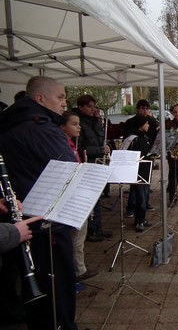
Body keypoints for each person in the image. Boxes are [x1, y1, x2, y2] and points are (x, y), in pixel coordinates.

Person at [0, 75, 79, 329]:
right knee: (58, 290)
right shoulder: (40, 126)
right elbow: (70, 168)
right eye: (60, 97)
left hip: (20, 218)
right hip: (46, 222)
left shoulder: (10, 122)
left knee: (35, 285)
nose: (64, 104)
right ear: (40, 98)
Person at [60, 111, 98, 282]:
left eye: (79, 124)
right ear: (62, 127)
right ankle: (78, 270)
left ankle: (77, 267)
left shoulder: (73, 144)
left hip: (79, 191)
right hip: (72, 196)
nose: (79, 127)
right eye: (74, 124)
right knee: (77, 235)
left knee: (79, 235)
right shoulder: (63, 146)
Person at [73, 95, 112, 242]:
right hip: (86, 164)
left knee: (97, 198)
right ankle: (91, 230)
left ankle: (98, 228)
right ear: (81, 107)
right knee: (89, 200)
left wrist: (106, 147)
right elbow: (80, 148)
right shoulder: (78, 123)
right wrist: (100, 150)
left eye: (94, 106)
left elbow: (100, 139)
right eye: (89, 106)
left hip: (96, 163)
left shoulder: (94, 121)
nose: (93, 109)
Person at [123, 100, 157, 216]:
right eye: (142, 108)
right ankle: (132, 207)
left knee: (146, 182)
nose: (145, 111)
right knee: (136, 183)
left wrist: (151, 119)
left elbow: (156, 130)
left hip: (148, 153)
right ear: (138, 109)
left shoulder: (150, 121)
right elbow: (127, 138)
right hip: (136, 155)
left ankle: (145, 202)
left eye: (147, 109)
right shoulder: (131, 122)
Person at [123, 115, 153, 232]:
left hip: (145, 170)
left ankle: (142, 218)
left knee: (144, 197)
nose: (148, 125)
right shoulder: (134, 138)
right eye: (146, 123)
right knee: (140, 197)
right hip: (138, 172)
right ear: (141, 125)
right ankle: (139, 221)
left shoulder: (145, 137)